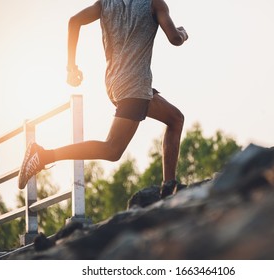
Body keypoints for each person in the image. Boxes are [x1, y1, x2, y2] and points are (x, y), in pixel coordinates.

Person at [18, 0, 188, 199]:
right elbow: (174, 38)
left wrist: (71, 67)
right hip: (134, 87)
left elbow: (74, 21)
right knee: (112, 149)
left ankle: (169, 186)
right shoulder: (154, 3)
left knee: (175, 118)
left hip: (116, 84)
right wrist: (182, 33)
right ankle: (43, 155)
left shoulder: (106, 3)